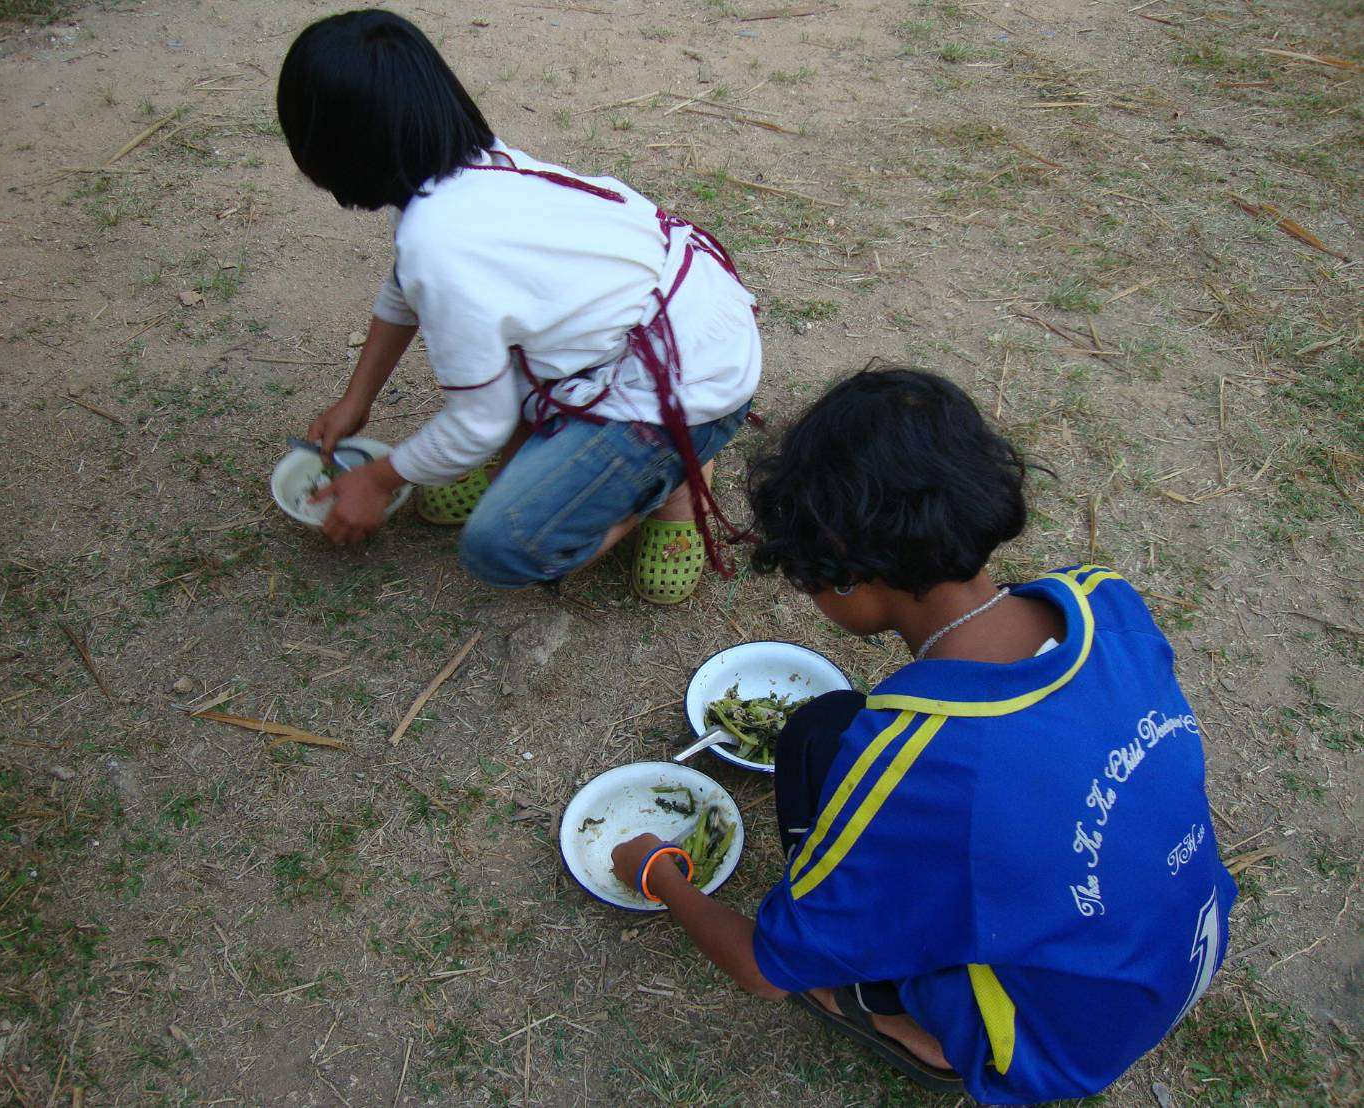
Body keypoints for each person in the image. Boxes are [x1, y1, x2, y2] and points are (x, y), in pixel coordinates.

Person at [611, 365, 1237, 1103]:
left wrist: (658, 872)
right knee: (819, 731)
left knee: (838, 826)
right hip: (1179, 950)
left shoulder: (913, 761)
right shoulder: (1105, 601)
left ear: (842, 571)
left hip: (1055, 1045)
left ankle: (918, 1028)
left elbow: (764, 970)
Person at [276, 10, 760, 604]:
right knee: (505, 429)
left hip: (688, 378)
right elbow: (404, 284)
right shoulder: (464, 173)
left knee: (504, 544)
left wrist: (377, 480)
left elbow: (476, 425)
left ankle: (677, 481)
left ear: (333, 147)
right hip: (676, 322)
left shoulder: (441, 241)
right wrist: (356, 402)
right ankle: (620, 461)